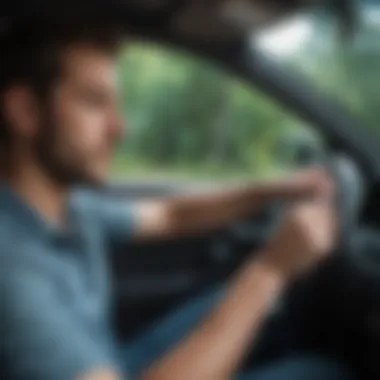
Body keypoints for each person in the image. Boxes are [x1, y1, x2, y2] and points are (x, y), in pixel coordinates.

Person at [0, 19, 356, 380]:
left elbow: (171, 214)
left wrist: (275, 189)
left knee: (262, 308)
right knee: (322, 372)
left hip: (108, 359)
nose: (119, 128)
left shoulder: (69, 207)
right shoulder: (13, 271)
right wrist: (270, 270)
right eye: (94, 102)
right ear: (25, 111)